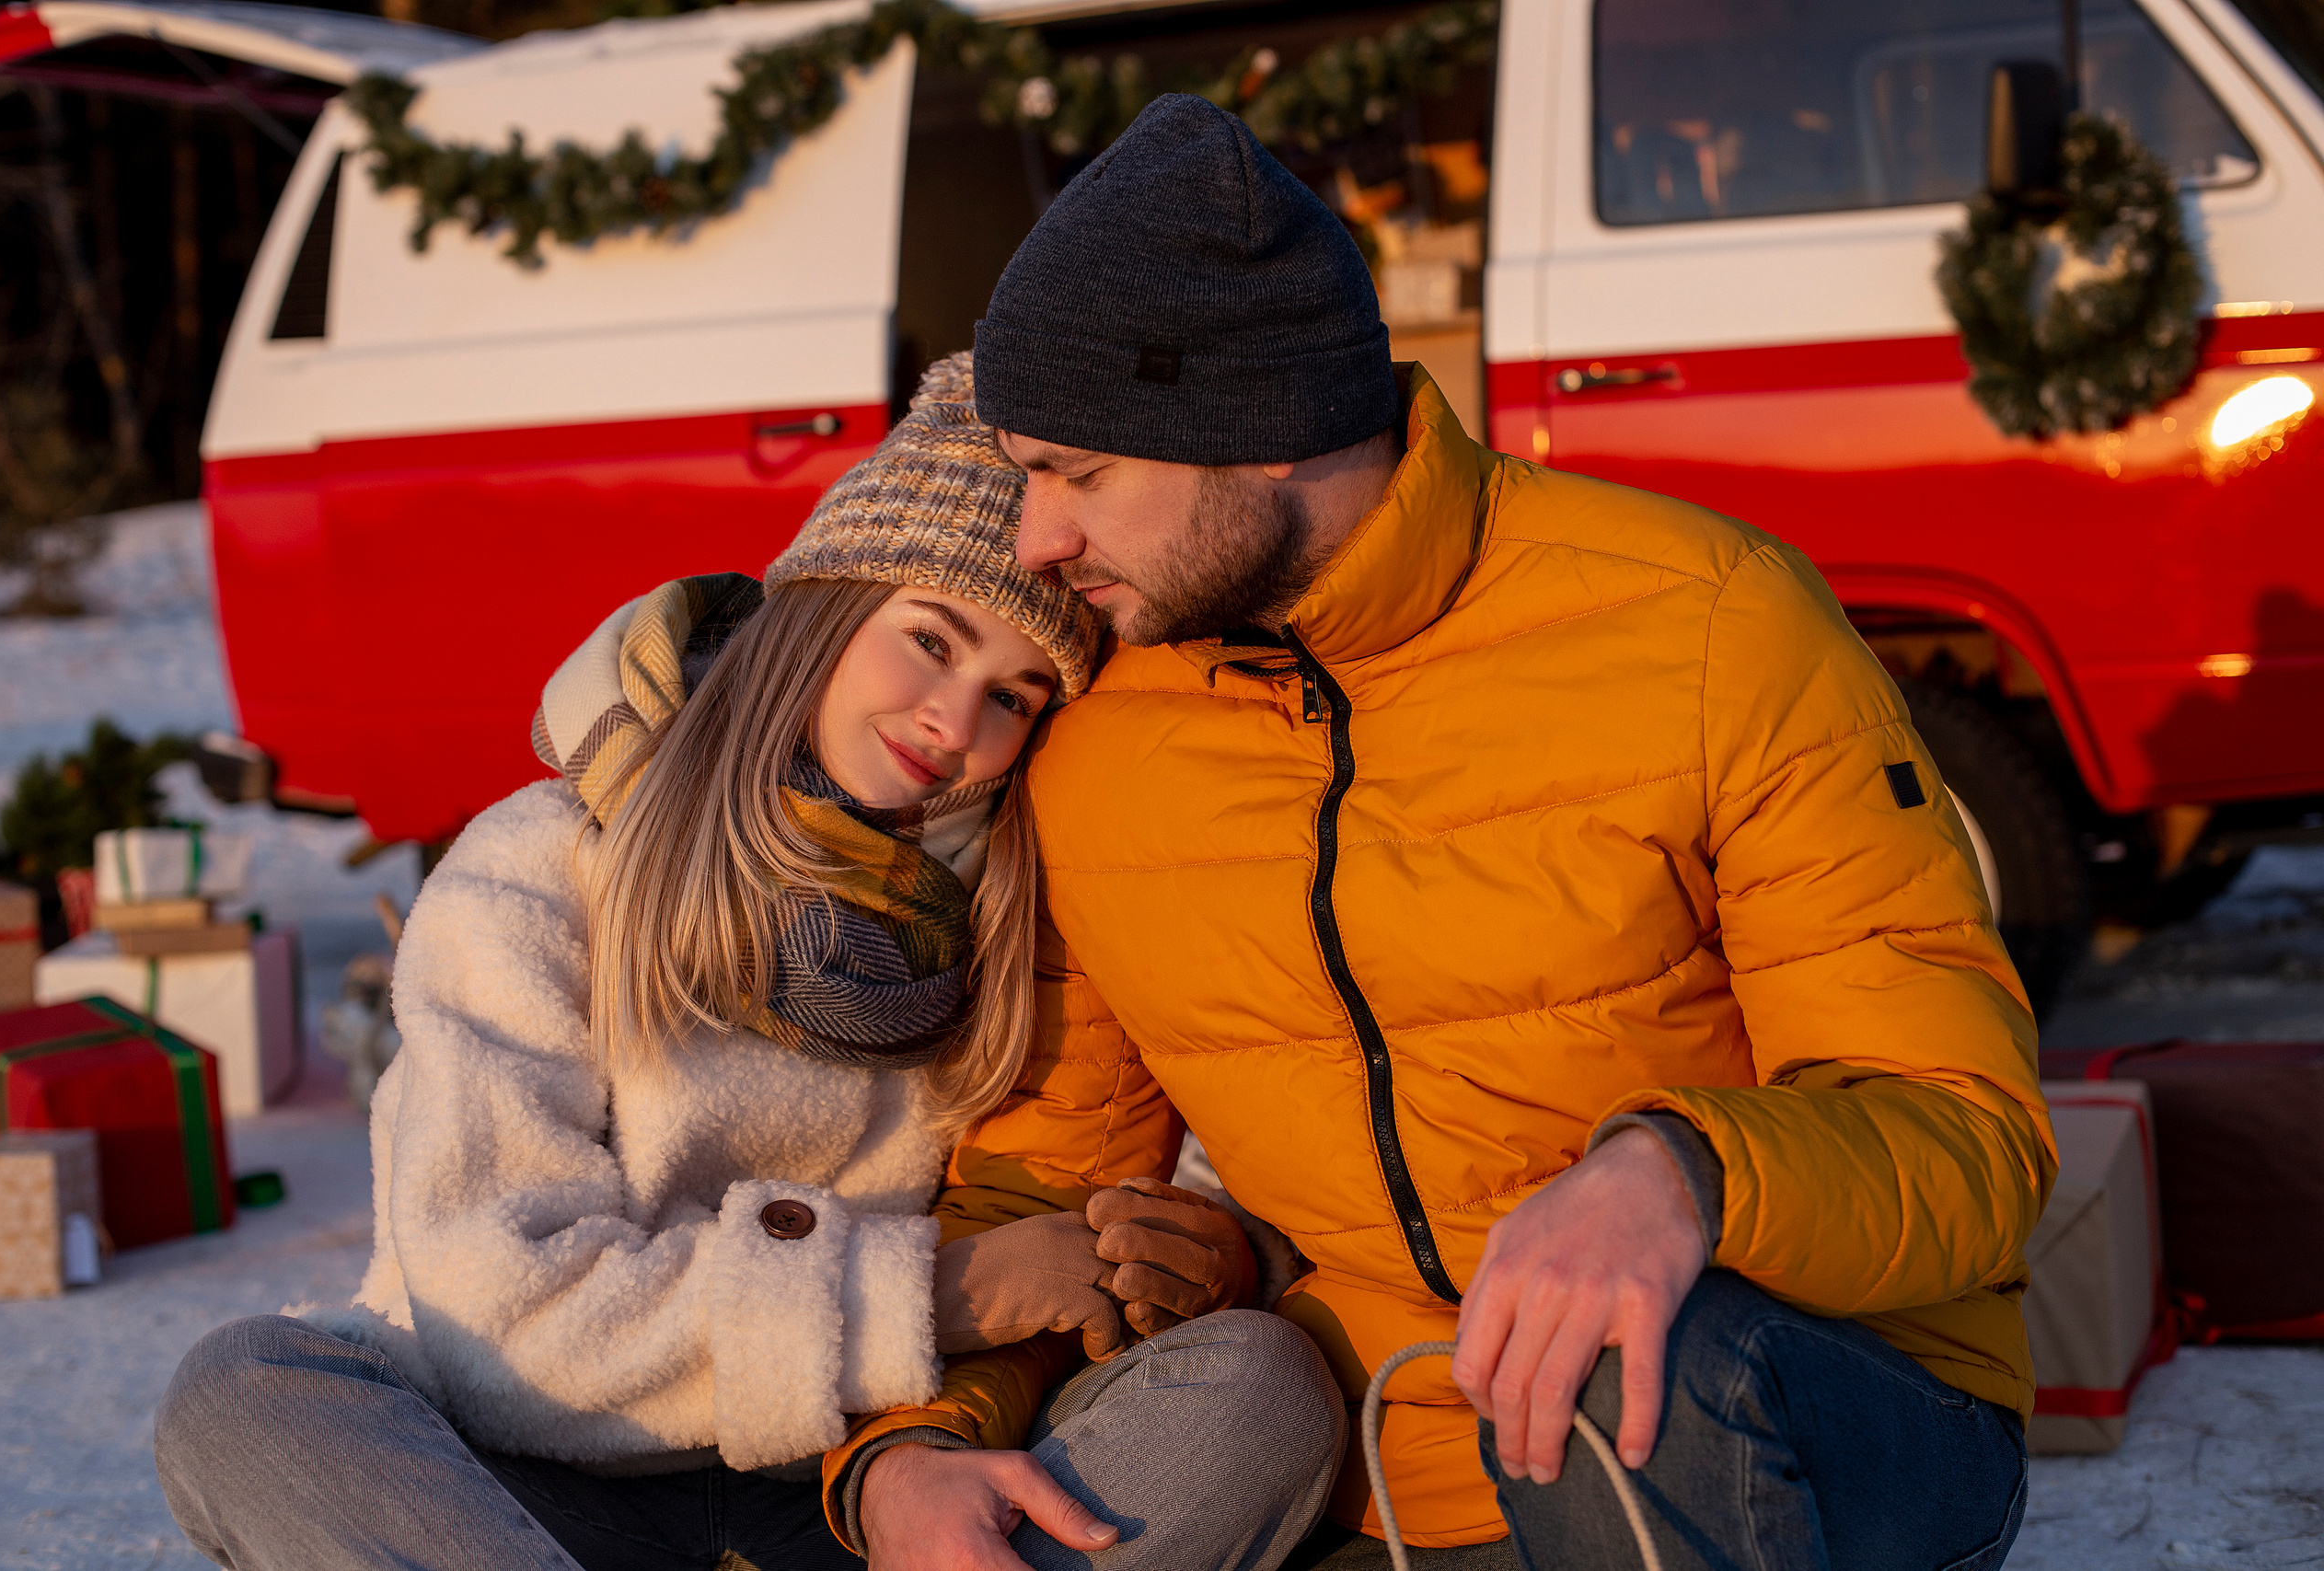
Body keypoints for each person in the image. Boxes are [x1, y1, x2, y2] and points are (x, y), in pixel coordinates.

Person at [832, 98, 2052, 1571]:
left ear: (1257, 432)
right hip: (1408, 1459)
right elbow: (1043, 1184)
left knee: (1615, 1357)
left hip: (1804, 1415)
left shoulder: (1712, 628)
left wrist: (1684, 1174)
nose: (1036, 541)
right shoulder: (1107, 735)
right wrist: (911, 1449)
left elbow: (1968, 1139)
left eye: (1078, 476)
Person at [149, 357, 1346, 1571]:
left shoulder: (1010, 914)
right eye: (930, 640)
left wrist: (1208, 1246)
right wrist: (938, 1293)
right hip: (531, 1500)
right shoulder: (546, 867)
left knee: (1258, 1388)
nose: (954, 721)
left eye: (1016, 697)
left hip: (859, 1488)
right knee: (251, 1389)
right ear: (823, 610)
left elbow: (1166, 1151)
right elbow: (504, 1322)